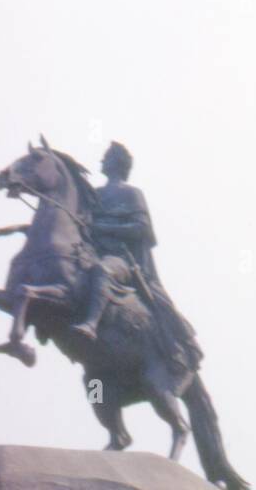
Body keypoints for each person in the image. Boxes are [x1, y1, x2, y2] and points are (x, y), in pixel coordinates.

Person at [72, 141, 203, 374]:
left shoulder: (131, 193)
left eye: (106, 157)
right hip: (91, 254)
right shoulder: (95, 194)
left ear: (117, 164)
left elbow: (143, 229)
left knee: (102, 271)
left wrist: (101, 227)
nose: (102, 161)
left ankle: (91, 324)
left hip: (121, 260)